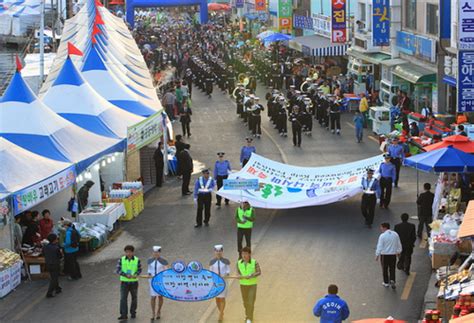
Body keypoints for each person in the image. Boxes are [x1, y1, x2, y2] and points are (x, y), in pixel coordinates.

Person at [117, 245, 142, 320]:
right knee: (123, 299)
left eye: (130, 252)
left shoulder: (137, 260)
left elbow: (139, 269)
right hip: (124, 282)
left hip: (134, 282)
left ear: (133, 252)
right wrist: (125, 275)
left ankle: (133, 312)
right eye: (126, 252)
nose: (128, 253)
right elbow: (118, 270)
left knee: (134, 298)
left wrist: (136, 274)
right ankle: (123, 315)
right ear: (125, 252)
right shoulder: (121, 259)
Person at [237, 247, 261, 323]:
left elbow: (259, 272)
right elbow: (238, 273)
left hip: (252, 285)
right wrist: (239, 276)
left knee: (251, 301)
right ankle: (248, 315)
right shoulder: (238, 263)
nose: (244, 255)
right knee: (245, 302)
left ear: (249, 254)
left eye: (246, 254)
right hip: (243, 285)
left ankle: (249, 318)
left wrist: (251, 275)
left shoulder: (254, 262)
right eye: (242, 254)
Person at [375, 223, 402, 289]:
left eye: (381, 227)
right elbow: (399, 244)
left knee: (385, 268)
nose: (380, 229)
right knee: (392, 268)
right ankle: (392, 279)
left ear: (384, 227)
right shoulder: (395, 234)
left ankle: (386, 282)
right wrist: (398, 252)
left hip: (384, 255)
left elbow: (380, 246)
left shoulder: (382, 236)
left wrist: (377, 255)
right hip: (393, 254)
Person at [209, 245, 231, 322]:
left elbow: (228, 271)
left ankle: (221, 314)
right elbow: (210, 272)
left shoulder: (226, 261)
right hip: (215, 283)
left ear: (222, 252)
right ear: (214, 252)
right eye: (217, 251)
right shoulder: (212, 262)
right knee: (217, 299)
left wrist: (225, 274)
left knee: (222, 298)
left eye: (220, 251)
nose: (218, 253)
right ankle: (221, 312)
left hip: (223, 282)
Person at [147, 246, 168, 320]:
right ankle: (153, 313)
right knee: (153, 297)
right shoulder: (150, 260)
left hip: (160, 281)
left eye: (157, 252)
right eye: (154, 252)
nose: (156, 254)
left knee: (160, 297)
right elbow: (149, 270)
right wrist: (149, 275)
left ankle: (159, 311)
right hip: (152, 281)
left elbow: (165, 271)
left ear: (160, 253)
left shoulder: (163, 261)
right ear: (153, 253)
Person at [43, 233, 62, 298]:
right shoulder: (56, 248)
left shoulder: (45, 247)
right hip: (55, 264)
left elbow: (43, 254)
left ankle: (57, 288)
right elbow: (60, 256)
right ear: (54, 240)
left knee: (54, 276)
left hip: (48, 264)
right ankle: (49, 293)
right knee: (54, 278)